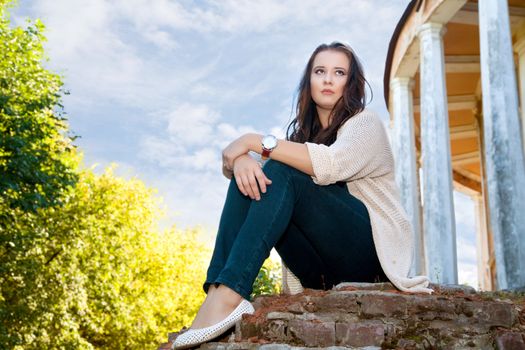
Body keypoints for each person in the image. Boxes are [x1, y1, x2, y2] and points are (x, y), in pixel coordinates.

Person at [172, 41, 432, 350]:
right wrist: (242, 160)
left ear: (351, 83)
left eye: (339, 72)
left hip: (370, 257)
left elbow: (331, 164)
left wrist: (251, 141)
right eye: (320, 71)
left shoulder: (365, 124)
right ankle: (217, 291)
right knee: (254, 176)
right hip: (319, 269)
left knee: (281, 171)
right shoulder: (298, 142)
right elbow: (241, 167)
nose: (327, 79)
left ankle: (230, 293)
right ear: (309, 81)